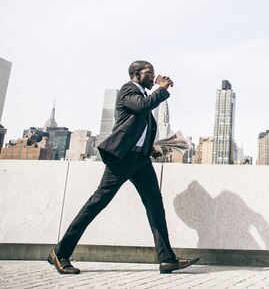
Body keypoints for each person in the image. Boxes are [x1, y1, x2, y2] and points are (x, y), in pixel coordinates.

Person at [48, 60, 199, 274]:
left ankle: (167, 259)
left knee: (155, 206)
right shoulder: (128, 90)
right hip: (123, 159)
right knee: (97, 203)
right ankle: (60, 253)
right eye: (149, 73)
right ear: (136, 74)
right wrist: (161, 89)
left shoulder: (143, 96)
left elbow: (138, 129)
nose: (153, 76)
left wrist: (154, 148)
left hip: (141, 160)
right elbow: (141, 106)